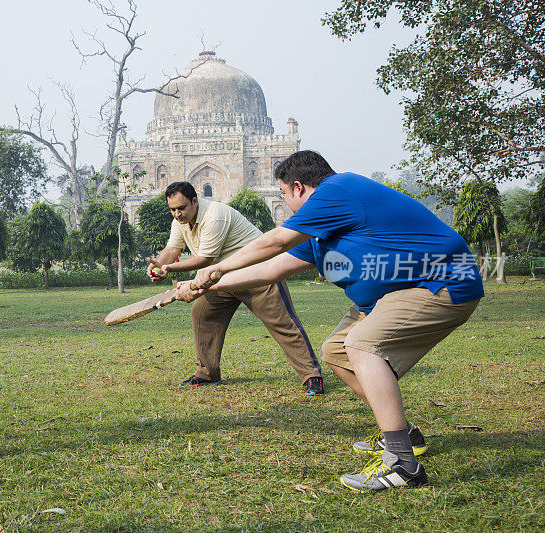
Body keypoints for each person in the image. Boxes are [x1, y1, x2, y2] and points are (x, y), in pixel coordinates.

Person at [179, 150, 483, 492]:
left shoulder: (338, 189)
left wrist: (218, 266)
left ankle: (402, 464)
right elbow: (275, 267)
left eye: (283, 195)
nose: (286, 204)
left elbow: (277, 240)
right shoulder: (324, 227)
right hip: (398, 292)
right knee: (337, 350)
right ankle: (404, 436)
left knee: (361, 344)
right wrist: (207, 284)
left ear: (298, 187)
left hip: (439, 282)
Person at [147, 181, 323, 394]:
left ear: (195, 201)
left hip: (258, 273)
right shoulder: (180, 221)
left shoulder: (214, 215)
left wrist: (169, 268)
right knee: (203, 314)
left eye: (181, 208)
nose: (177, 214)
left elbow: (205, 259)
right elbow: (172, 247)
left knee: (282, 322)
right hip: (220, 277)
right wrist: (159, 264)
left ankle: (311, 376)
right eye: (172, 209)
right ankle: (207, 374)